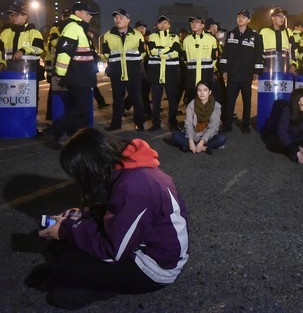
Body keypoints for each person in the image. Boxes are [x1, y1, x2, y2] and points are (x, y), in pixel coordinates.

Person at [34, 128, 189, 309]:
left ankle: (104, 288)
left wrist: (65, 229)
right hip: (135, 244)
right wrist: (73, 217)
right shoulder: (127, 165)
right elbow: (111, 211)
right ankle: (98, 280)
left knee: (63, 270)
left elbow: (112, 251)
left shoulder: (136, 187)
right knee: (60, 246)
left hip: (154, 266)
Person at [46, 2, 100, 147]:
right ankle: (54, 132)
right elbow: (64, 52)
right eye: (88, 13)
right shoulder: (73, 28)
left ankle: (81, 139)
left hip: (82, 75)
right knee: (81, 108)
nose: (90, 17)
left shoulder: (79, 28)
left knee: (82, 109)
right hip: (77, 75)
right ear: (78, 12)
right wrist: (60, 74)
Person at [219, 9, 263, 133]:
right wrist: (224, 70)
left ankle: (245, 125)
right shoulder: (231, 34)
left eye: (243, 17)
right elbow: (225, 53)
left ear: (249, 20)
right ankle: (227, 125)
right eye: (238, 16)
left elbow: (258, 55)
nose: (240, 18)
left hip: (246, 75)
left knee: (247, 102)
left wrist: (256, 71)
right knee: (229, 101)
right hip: (232, 74)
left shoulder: (255, 36)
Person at [0, 5, 44, 114]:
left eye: (16, 15)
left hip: (28, 74)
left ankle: (30, 124)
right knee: (11, 99)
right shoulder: (5, 33)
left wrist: (23, 50)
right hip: (9, 74)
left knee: (29, 100)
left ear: (25, 16)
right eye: (11, 15)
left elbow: (39, 49)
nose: (13, 17)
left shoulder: (34, 33)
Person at [102, 8, 146, 131]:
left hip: (133, 72)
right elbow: (105, 52)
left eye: (121, 17)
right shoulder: (107, 35)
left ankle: (140, 123)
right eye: (116, 18)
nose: (118, 20)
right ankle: (115, 124)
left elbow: (142, 52)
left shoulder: (137, 35)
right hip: (116, 73)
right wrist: (115, 63)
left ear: (128, 20)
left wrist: (134, 64)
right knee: (117, 101)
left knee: (137, 99)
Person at [146, 15, 182, 131]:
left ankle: (173, 122)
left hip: (170, 73)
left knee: (172, 101)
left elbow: (176, 52)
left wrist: (160, 52)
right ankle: (155, 124)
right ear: (157, 25)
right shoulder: (152, 36)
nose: (163, 25)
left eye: (165, 22)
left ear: (169, 25)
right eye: (161, 23)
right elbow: (152, 51)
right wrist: (167, 50)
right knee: (156, 101)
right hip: (156, 73)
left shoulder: (174, 37)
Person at [171, 80, 227, 154]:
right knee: (175, 135)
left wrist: (201, 141)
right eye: (199, 90)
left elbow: (213, 127)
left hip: (208, 136)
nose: (202, 93)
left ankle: (193, 147)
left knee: (222, 138)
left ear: (210, 92)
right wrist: (191, 141)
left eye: (205, 90)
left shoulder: (216, 106)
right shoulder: (192, 104)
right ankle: (203, 148)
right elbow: (188, 124)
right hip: (193, 135)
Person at [181, 16, 218, 103]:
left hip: (206, 77)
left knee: (206, 105)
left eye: (196, 22)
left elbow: (214, 58)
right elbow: (185, 58)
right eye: (192, 22)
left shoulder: (211, 39)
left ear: (202, 25)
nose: (193, 24)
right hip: (191, 78)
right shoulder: (186, 40)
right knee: (191, 105)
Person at [255, 7, 297, 73]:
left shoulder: (288, 32)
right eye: (279, 16)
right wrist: (261, 67)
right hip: (268, 70)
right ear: (273, 18)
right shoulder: (264, 32)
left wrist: (293, 65)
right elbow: (258, 51)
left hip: (285, 70)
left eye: (283, 16)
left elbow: (293, 51)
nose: (282, 18)